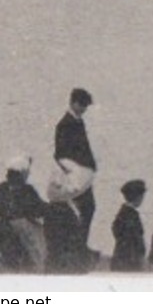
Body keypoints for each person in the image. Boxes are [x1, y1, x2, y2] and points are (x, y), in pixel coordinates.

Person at [53, 88, 97, 249]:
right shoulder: (66, 124)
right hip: (76, 178)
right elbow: (60, 155)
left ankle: (79, 246)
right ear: (73, 103)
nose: (85, 109)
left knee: (86, 210)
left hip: (82, 176)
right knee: (84, 210)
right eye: (83, 104)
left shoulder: (77, 121)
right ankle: (78, 247)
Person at [0, 156, 47, 272]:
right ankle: (39, 268)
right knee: (38, 246)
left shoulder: (0, 188)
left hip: (0, 227)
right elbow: (38, 209)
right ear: (22, 173)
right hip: (21, 228)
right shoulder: (26, 190)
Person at [110, 180, 147, 272]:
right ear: (138, 197)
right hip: (129, 259)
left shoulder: (123, 213)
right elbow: (136, 238)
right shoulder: (131, 215)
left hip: (123, 257)